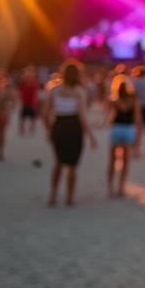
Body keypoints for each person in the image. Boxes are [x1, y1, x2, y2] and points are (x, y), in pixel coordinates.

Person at [43, 60, 96, 207]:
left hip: (58, 126)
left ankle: (53, 196)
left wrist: (49, 130)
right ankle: (69, 197)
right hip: (74, 127)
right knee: (73, 165)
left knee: (59, 162)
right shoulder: (79, 91)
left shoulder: (54, 90)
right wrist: (91, 136)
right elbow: (82, 116)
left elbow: (45, 114)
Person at [105, 75, 140, 198]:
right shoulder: (133, 101)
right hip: (128, 129)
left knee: (112, 159)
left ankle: (110, 187)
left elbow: (109, 117)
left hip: (116, 128)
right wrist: (137, 138)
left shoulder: (114, 100)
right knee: (125, 161)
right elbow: (137, 119)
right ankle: (121, 187)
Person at [17, 67, 40, 136]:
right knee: (23, 117)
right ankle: (23, 130)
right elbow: (19, 93)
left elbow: (36, 93)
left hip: (31, 104)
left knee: (30, 117)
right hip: (26, 103)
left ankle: (31, 129)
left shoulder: (34, 84)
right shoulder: (22, 84)